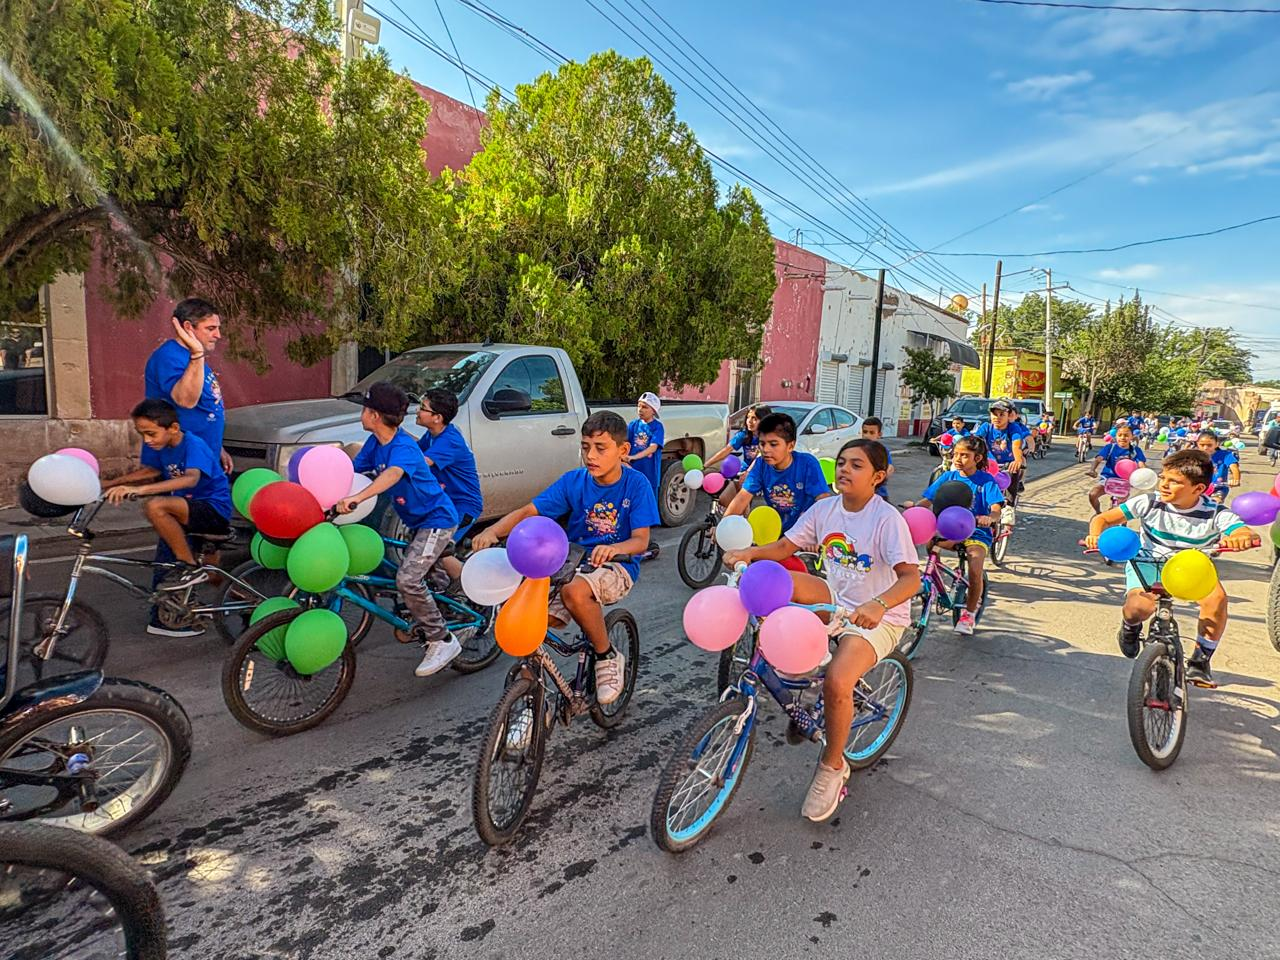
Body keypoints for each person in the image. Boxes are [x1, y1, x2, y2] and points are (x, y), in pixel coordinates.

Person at [723, 439, 919, 822]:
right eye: (842, 462)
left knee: (838, 680)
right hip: (837, 597)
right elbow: (784, 546)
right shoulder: (825, 509)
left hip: (877, 616)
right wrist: (750, 554)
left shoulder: (887, 520)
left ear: (878, 477)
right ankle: (797, 676)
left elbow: (911, 579)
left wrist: (878, 605)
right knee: (778, 579)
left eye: (857, 465)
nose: (845, 469)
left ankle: (832, 766)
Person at [472, 411, 660, 705]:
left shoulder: (636, 485)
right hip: (571, 563)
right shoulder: (574, 481)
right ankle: (530, 699)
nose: (590, 455)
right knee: (530, 624)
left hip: (616, 566)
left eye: (600, 448)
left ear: (623, 451)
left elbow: (641, 540)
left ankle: (606, 655)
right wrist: (493, 531)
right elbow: (529, 512)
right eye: (585, 447)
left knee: (575, 592)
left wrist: (616, 548)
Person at [1085, 449, 1257, 686]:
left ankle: (1200, 661)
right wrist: (1095, 536)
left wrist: (1241, 536)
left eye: (1174, 482)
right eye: (1163, 478)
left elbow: (1240, 529)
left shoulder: (1215, 513)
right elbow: (1102, 519)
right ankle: (1130, 627)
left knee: (1216, 600)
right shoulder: (1149, 502)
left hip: (1191, 569)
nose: (1164, 485)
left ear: (1198, 489)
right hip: (1148, 563)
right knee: (1139, 608)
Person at [337, 382, 461, 678]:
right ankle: (447, 605)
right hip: (416, 522)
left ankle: (442, 639)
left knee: (407, 579)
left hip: (437, 520)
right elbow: (355, 470)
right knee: (425, 577)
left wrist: (357, 498)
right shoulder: (376, 444)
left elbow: (392, 475)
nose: (362, 415)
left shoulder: (403, 446)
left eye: (365, 410)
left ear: (375, 415)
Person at [101, 398, 233, 636]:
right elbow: (151, 471)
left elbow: (191, 479)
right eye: (142, 435)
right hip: (188, 510)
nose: (147, 441)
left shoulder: (193, 444)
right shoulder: (165, 448)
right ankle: (245, 604)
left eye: (151, 434)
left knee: (156, 507)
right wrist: (110, 483)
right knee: (212, 576)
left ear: (173, 428)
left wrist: (138, 491)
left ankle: (189, 566)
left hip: (213, 510)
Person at [904, 435, 1003, 636]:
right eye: (956, 454)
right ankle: (936, 576)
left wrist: (989, 518)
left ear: (977, 458)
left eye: (965, 455)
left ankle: (969, 614)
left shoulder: (986, 481)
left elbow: (996, 509)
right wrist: (914, 507)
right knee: (931, 542)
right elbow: (928, 500)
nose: (958, 459)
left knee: (975, 567)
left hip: (976, 531)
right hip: (948, 529)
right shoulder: (948, 476)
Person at [143, 298, 230, 472]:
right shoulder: (170, 357)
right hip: (181, 460)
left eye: (218, 328)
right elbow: (185, 400)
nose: (218, 335)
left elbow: (205, 406)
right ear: (189, 327)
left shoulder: (190, 356)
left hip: (203, 454)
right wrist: (197, 354)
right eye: (210, 329)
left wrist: (217, 445)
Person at [416, 387, 484, 586]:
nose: (418, 411)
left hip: (463, 506)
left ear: (437, 417)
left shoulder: (450, 441)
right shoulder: (432, 435)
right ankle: (441, 589)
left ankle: (471, 589)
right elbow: (414, 450)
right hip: (445, 504)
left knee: (439, 549)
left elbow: (420, 462)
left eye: (423, 408)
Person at [725, 412, 831, 533]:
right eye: (762, 443)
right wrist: (724, 524)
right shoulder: (760, 464)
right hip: (776, 531)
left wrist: (815, 533)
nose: (765, 449)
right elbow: (742, 498)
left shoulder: (807, 464)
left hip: (806, 532)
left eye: (773, 444)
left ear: (790, 446)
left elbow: (823, 501)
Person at [705, 403, 772, 508]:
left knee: (743, 500)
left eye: (754, 418)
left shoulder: (769, 437)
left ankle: (745, 518)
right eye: (748, 417)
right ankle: (739, 517)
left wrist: (748, 472)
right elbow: (726, 450)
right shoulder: (744, 434)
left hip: (761, 473)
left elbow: (760, 456)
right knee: (724, 499)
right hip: (743, 473)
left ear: (764, 420)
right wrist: (705, 465)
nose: (749, 421)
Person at [974, 401, 1027, 511]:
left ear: (1009, 415)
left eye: (1002, 414)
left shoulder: (1013, 428)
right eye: (994, 414)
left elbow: (1016, 445)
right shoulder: (986, 427)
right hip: (989, 464)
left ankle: (1009, 508)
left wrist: (1017, 460)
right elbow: (975, 442)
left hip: (1007, 465)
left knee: (1013, 475)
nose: (997, 417)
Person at [1087, 424, 1146, 514]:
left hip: (1125, 482)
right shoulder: (1110, 447)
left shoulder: (1135, 450)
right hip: (1107, 479)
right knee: (1093, 494)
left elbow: (1141, 464)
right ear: (1116, 436)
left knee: (1119, 510)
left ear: (1132, 437)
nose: (1123, 438)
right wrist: (1092, 470)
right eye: (1120, 435)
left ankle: (1122, 524)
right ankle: (1098, 513)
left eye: (1126, 435)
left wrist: (1146, 475)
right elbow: (1099, 458)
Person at [625, 392, 665, 496]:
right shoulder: (633, 425)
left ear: (653, 411)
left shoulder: (657, 427)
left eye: (645, 407)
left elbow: (653, 448)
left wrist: (633, 457)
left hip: (649, 473)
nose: (640, 410)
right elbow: (625, 443)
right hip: (633, 471)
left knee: (648, 498)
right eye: (638, 406)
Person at [1195, 430, 1239, 503]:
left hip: (1218, 488)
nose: (1205, 448)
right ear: (1197, 444)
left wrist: (1236, 479)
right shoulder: (1194, 456)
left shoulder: (1225, 455)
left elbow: (1234, 467)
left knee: (1215, 503)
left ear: (1216, 444)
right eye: (1202, 445)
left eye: (1209, 445)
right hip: (1197, 488)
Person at [860, 417, 894, 500]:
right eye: (865, 432)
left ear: (879, 434)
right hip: (859, 492)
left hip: (879, 493)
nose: (867, 436)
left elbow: (889, 468)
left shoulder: (882, 451)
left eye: (872, 433)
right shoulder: (857, 450)